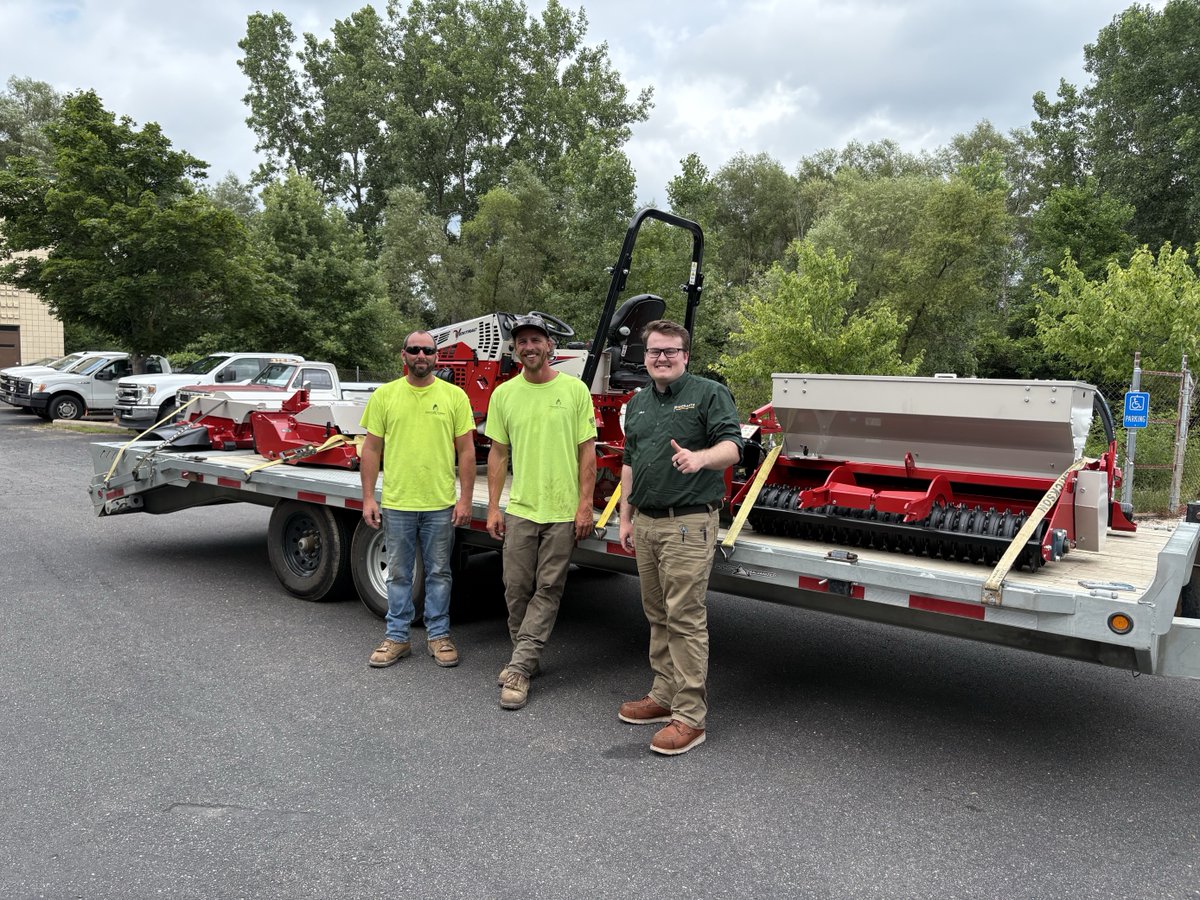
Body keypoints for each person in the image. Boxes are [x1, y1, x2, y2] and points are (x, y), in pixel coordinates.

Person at [617, 319, 743, 755]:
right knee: (657, 614)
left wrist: (699, 459)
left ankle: (690, 717)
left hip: (688, 524)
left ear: (686, 356)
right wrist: (626, 516)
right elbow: (630, 461)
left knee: (685, 619)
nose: (662, 358)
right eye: (654, 351)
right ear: (646, 357)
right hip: (647, 522)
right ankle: (664, 693)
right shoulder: (638, 402)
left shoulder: (709, 393)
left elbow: (733, 447)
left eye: (671, 350)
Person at [486, 314, 597, 710]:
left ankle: (518, 669)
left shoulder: (574, 390)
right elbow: (498, 454)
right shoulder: (504, 394)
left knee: (548, 588)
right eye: (522, 341)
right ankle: (526, 657)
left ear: (550, 345)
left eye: (536, 340)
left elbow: (588, 453)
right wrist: (494, 507)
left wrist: (585, 505)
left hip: (563, 511)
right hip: (521, 508)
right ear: (515, 348)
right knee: (515, 587)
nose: (529, 347)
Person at [360, 331, 476, 669]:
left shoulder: (454, 397)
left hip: (439, 504)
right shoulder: (385, 396)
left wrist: (465, 500)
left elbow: (467, 451)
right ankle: (397, 638)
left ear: (437, 356)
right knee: (399, 574)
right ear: (404, 355)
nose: (421, 355)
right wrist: (368, 498)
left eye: (427, 350)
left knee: (439, 573)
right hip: (398, 503)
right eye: (414, 350)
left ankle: (439, 636)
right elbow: (371, 449)